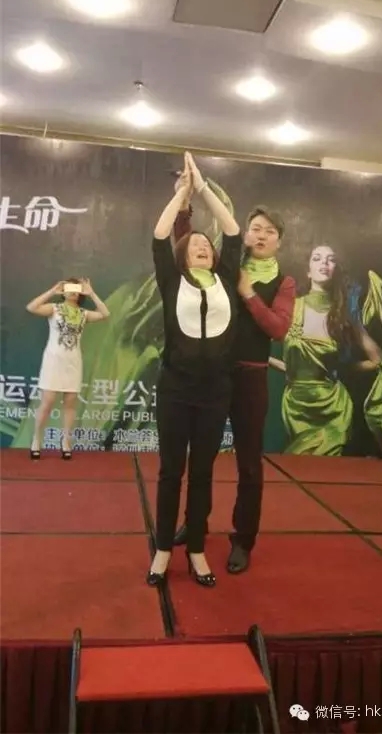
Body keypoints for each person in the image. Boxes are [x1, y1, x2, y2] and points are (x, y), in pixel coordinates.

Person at [173, 195, 296, 574]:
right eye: (255, 228)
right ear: (244, 234)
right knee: (202, 456)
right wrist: (183, 207)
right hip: (214, 374)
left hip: (252, 378)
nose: (261, 236)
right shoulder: (225, 266)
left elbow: (278, 328)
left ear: (279, 241)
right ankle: (195, 523)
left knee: (249, 464)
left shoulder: (285, 282)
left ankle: (243, 539)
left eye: (269, 231)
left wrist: (248, 293)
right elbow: (187, 249)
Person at [146, 152, 242, 588]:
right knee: (171, 471)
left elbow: (232, 231)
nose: (203, 244)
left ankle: (198, 549)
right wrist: (183, 193)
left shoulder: (226, 279)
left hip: (215, 392)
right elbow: (159, 235)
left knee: (203, 473)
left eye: (207, 244)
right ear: (183, 256)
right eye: (195, 243)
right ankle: (164, 548)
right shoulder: (172, 279)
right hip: (175, 389)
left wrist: (202, 188)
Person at [269, 244, 380, 456]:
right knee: (295, 469)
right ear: (308, 271)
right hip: (296, 408)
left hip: (334, 410)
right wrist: (271, 362)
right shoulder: (290, 307)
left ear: (335, 270)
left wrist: (342, 369)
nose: (325, 263)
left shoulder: (344, 314)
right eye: (317, 258)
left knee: (327, 472)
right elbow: (292, 366)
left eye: (331, 259)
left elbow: (376, 360)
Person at [26, 278, 110, 459]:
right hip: (53, 361)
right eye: (68, 288)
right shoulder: (54, 309)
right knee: (47, 402)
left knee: (70, 403)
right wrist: (52, 291)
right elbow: (32, 307)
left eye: (76, 288)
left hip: (73, 362)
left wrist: (92, 293)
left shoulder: (83, 314)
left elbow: (105, 314)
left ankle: (66, 442)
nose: (72, 291)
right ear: (63, 292)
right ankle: (36, 440)